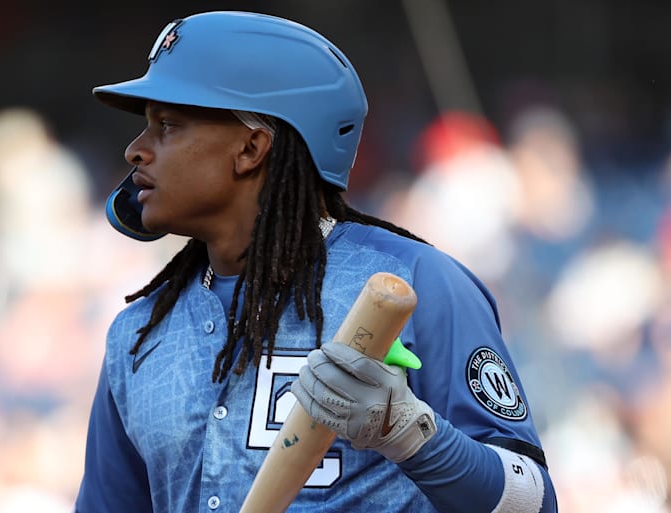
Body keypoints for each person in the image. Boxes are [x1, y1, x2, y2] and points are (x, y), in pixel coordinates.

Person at [76, 11, 558, 513]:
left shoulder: (416, 283)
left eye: (167, 125)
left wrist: (410, 433)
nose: (135, 150)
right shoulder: (137, 333)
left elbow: (533, 504)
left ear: (251, 147)